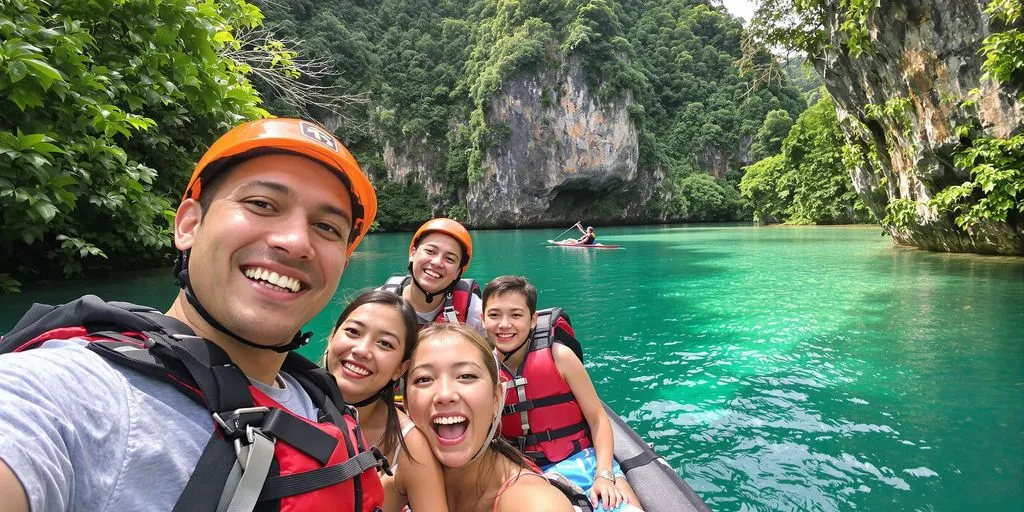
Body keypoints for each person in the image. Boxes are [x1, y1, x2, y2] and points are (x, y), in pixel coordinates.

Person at [0, 118, 386, 511]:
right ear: (189, 224)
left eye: (326, 227)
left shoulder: (315, 396)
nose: (295, 242)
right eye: (262, 205)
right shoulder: (72, 397)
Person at [482, 276, 643, 512]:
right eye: (494, 315)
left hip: (583, 460)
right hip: (523, 471)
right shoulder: (482, 370)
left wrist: (605, 475)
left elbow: (598, 419)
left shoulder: (561, 357)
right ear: (482, 318)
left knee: (619, 504)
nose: (504, 324)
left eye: (516, 315)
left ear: (533, 319)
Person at [404, 322, 584, 512]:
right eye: (424, 379)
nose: (445, 395)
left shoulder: (535, 502)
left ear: (496, 398)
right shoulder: (398, 480)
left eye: (465, 376)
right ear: (406, 404)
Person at [323, 290, 448, 512]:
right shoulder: (282, 401)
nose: (362, 351)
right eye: (353, 331)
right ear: (332, 338)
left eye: (385, 344)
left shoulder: (410, 447)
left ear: (400, 368)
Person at [379, 218, 485, 335]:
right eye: (430, 251)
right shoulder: (378, 303)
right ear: (412, 254)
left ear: (458, 272)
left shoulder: (473, 311)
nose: (437, 262)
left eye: (449, 259)